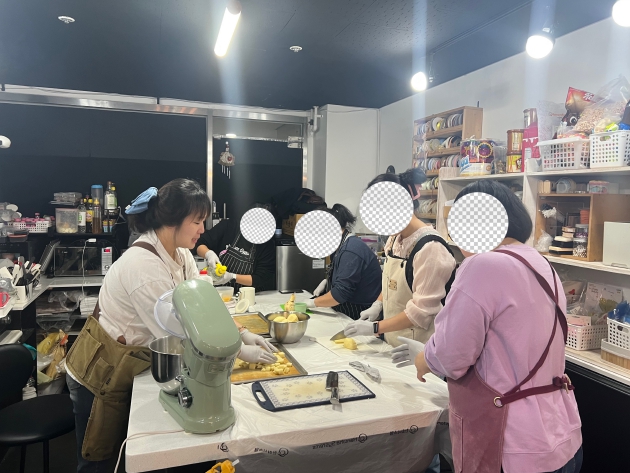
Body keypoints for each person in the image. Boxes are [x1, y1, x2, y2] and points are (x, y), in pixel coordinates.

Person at [65, 180, 276, 473]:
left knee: (130, 451)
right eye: (197, 222)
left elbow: (205, 305)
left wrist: (241, 332)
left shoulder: (181, 253)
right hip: (101, 371)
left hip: (133, 363)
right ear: (173, 221)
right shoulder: (144, 266)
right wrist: (238, 350)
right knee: (99, 458)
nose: (202, 230)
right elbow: (179, 330)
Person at [411, 180, 582, 473]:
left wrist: (423, 358)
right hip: (562, 436)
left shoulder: (483, 266)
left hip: (511, 444)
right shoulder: (542, 265)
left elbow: (451, 357)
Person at [344, 168, 457, 348]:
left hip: (420, 349)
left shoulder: (431, 248)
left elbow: (421, 312)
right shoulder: (394, 239)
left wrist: (375, 327)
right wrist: (378, 305)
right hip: (393, 342)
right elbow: (391, 283)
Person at [305, 204, 381, 319]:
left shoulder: (351, 250)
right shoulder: (342, 245)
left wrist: (312, 303)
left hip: (358, 312)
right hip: (345, 306)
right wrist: (327, 282)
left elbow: (340, 294)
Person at [195, 203, 276, 292]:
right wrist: (209, 254)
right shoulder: (229, 226)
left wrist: (232, 277)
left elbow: (259, 279)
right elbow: (199, 243)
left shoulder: (267, 246)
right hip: (217, 292)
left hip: (248, 295)